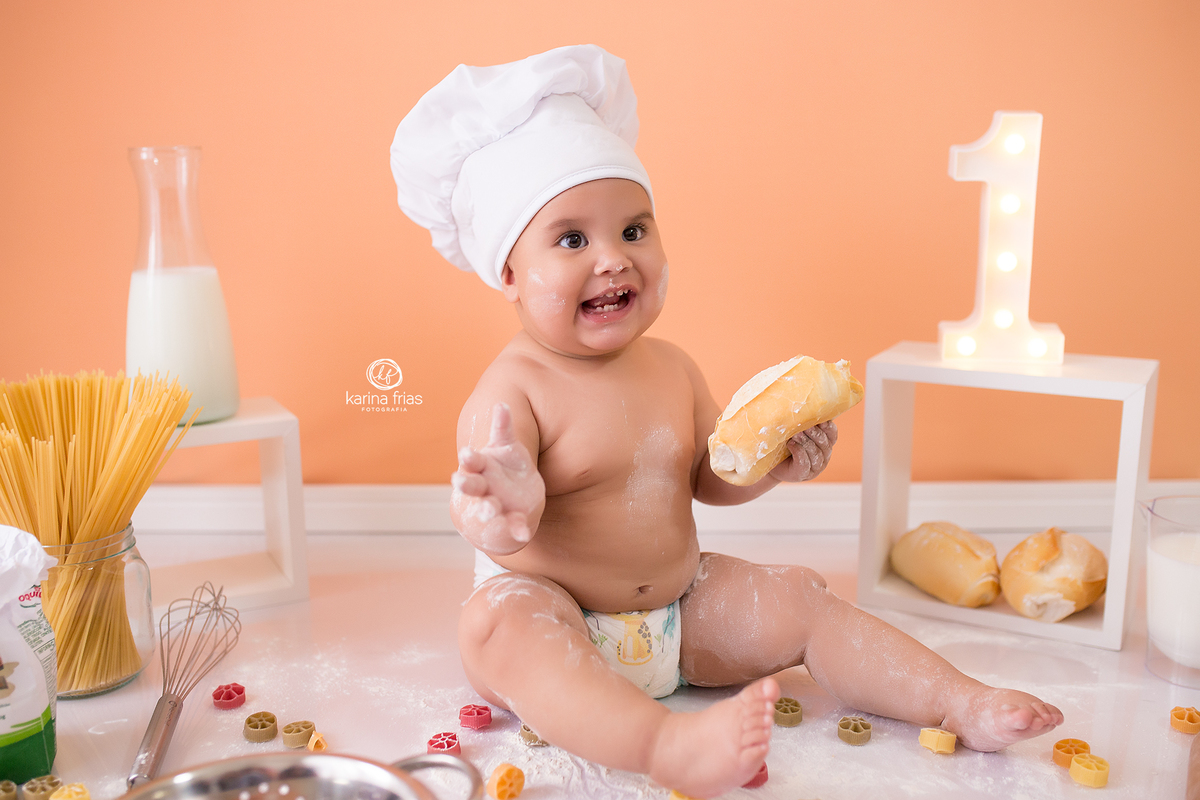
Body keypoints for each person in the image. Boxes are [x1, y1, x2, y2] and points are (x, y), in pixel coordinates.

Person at [391, 44, 1062, 797]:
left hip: (679, 614)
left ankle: (955, 700)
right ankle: (662, 743)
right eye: (572, 239)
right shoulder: (512, 390)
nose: (613, 259)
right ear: (507, 272)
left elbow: (710, 476)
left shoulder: (671, 367)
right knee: (502, 628)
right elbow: (488, 521)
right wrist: (506, 511)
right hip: (558, 615)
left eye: (634, 231)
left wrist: (771, 464)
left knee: (802, 596)